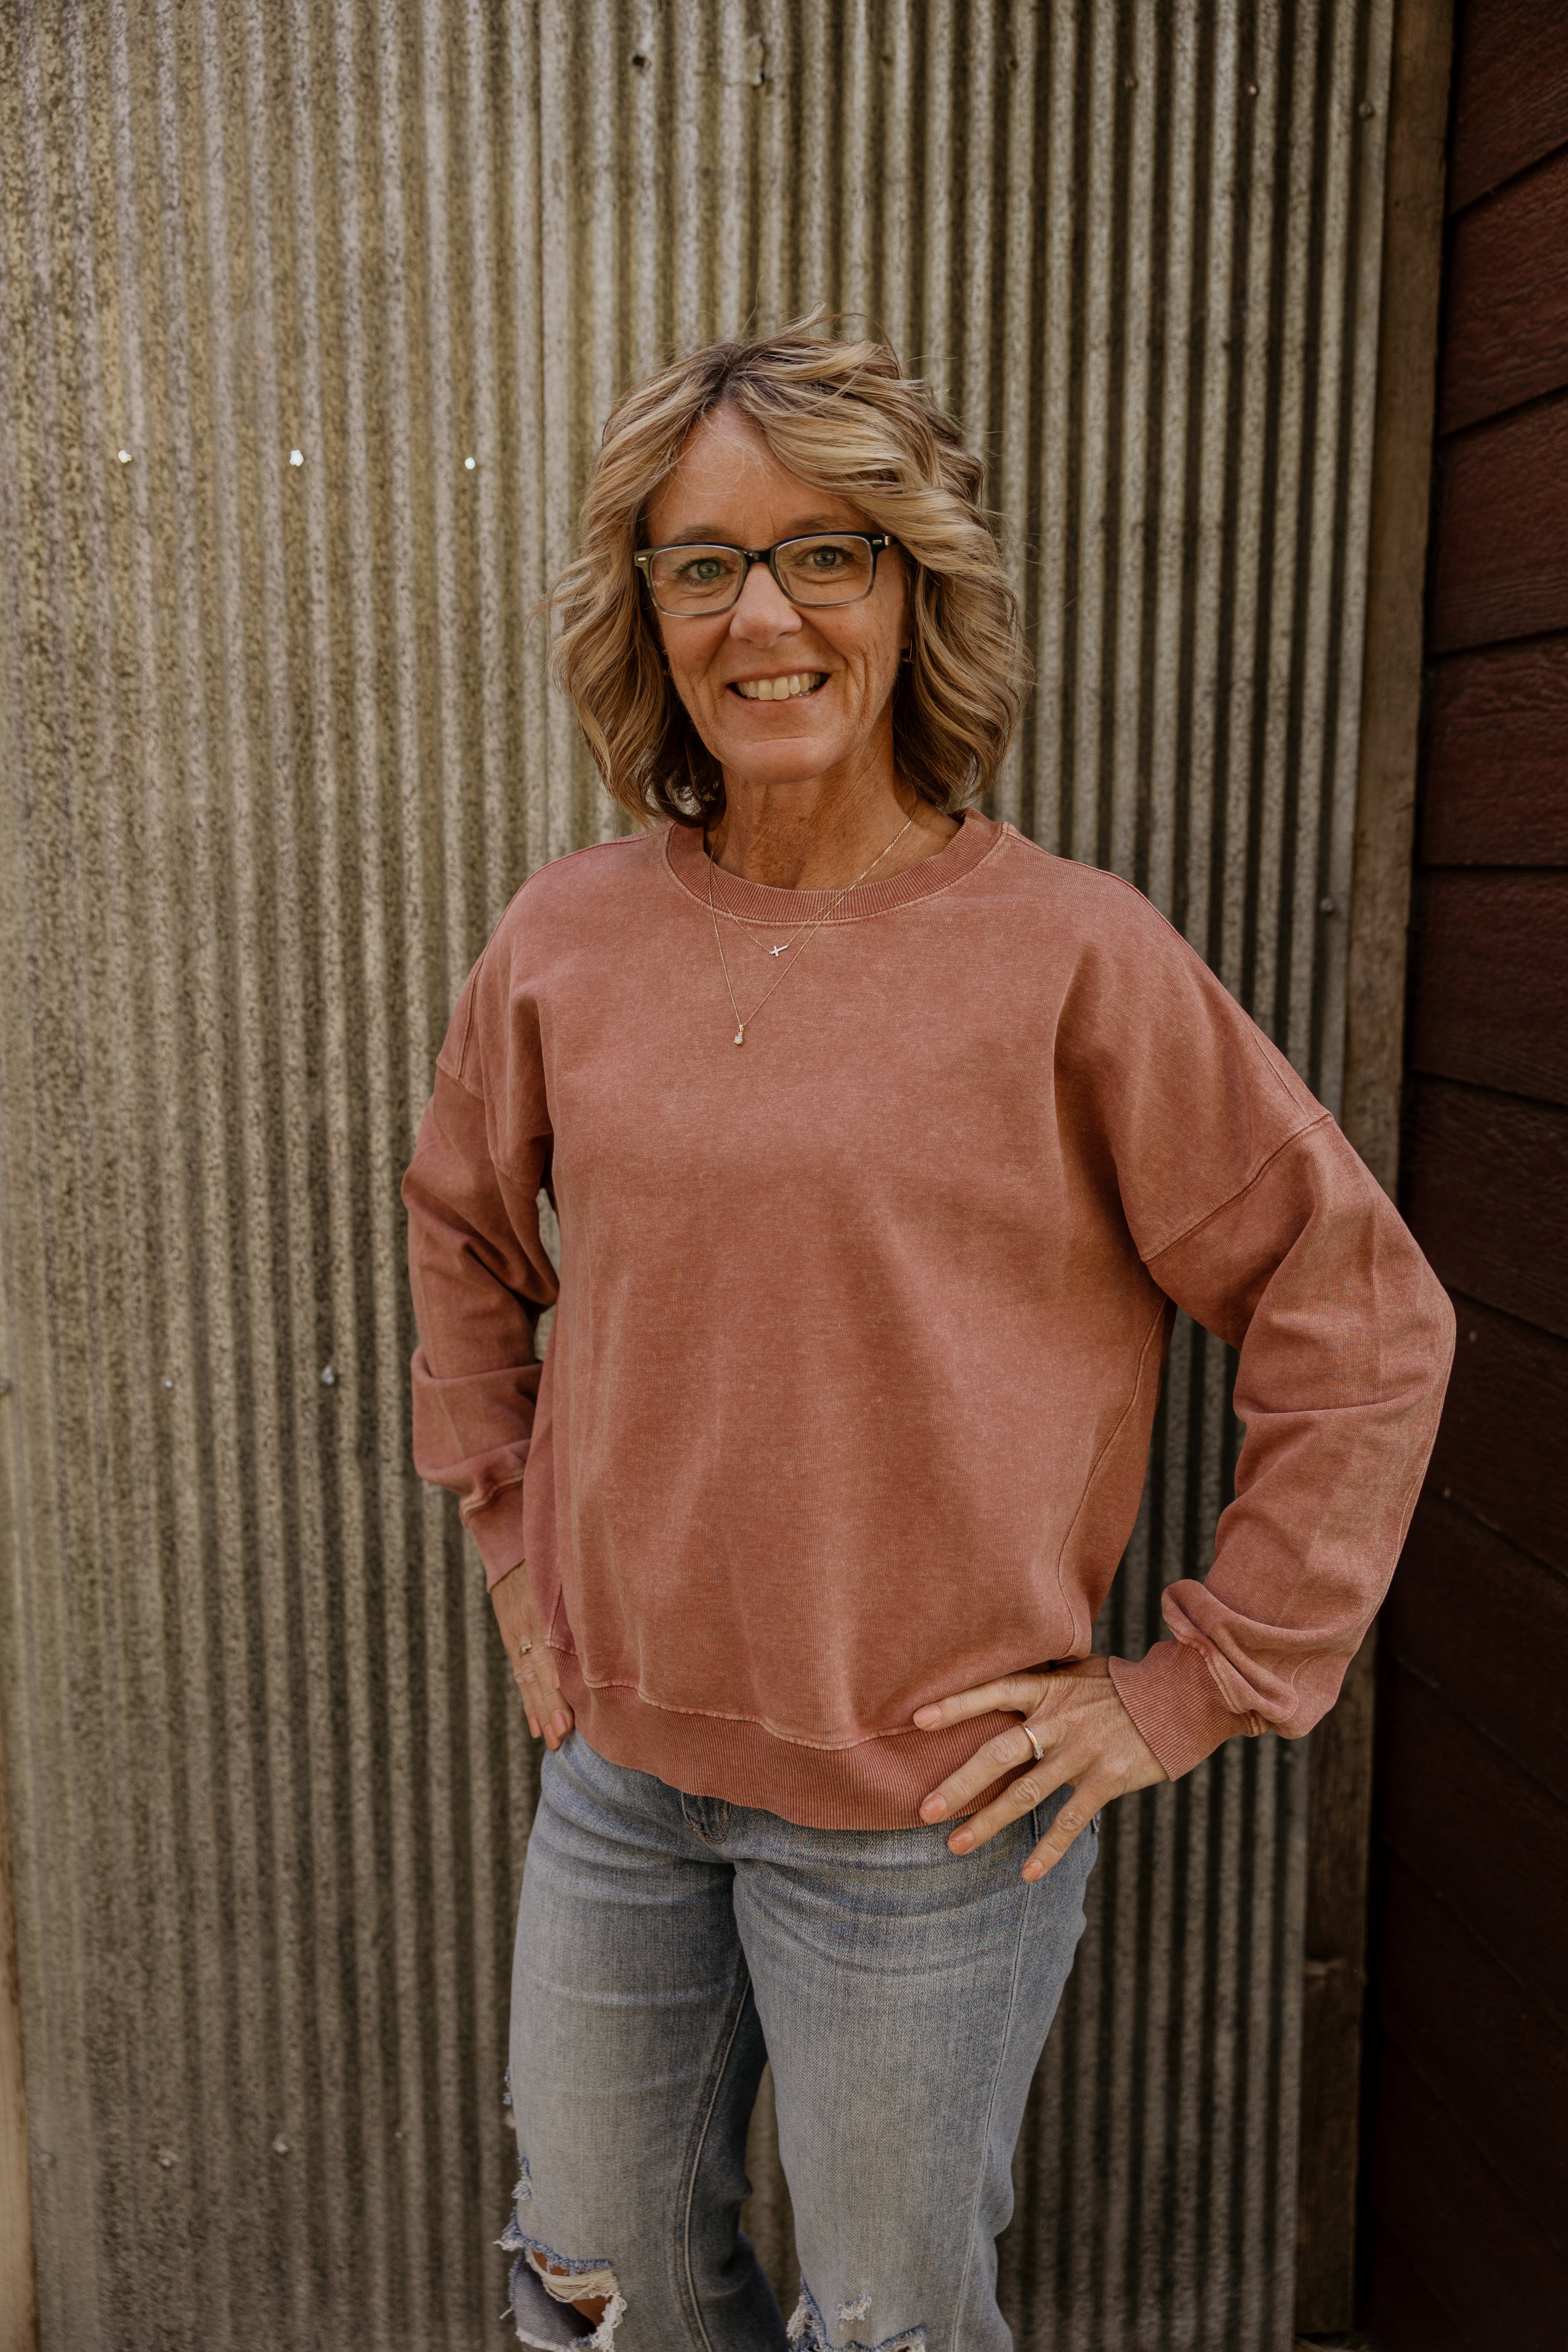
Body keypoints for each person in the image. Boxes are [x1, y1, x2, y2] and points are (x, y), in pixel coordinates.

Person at [402, 318, 1453, 2352]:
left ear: (913, 590)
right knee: (591, 2292)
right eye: (705, 562)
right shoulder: (563, 938)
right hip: (621, 1785)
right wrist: (515, 1549)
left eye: (829, 553)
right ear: (647, 610)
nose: (764, 615)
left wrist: (1199, 1684)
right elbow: (461, 1230)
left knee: (885, 2327)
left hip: (932, 1830)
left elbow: (1360, 1316)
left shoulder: (1075, 960)